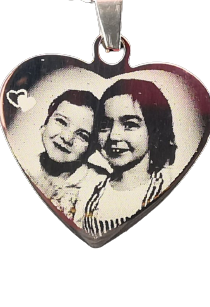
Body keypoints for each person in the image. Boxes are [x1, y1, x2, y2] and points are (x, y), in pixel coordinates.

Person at [82, 79, 176, 236]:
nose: (113, 135)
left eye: (130, 124)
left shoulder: (168, 185)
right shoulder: (89, 190)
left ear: (155, 131)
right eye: (105, 125)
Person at [27, 89, 107, 220]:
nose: (67, 137)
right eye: (61, 122)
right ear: (45, 124)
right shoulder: (26, 165)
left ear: (92, 148)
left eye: (82, 135)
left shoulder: (98, 184)